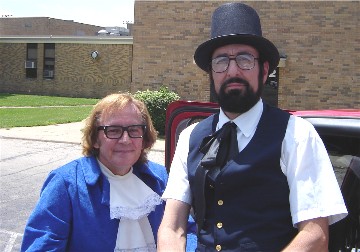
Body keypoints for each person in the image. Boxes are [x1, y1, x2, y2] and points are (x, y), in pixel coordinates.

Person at [158, 2, 348, 251]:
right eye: (221, 61)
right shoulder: (190, 137)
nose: (232, 70)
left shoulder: (298, 135)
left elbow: (314, 235)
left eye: (245, 59)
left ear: (264, 69)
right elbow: (173, 227)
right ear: (211, 72)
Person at [21, 93, 168, 251]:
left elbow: (184, 230)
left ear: (144, 138)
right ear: (96, 139)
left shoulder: (160, 177)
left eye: (134, 129)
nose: (125, 139)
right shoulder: (65, 183)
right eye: (113, 130)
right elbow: (42, 246)